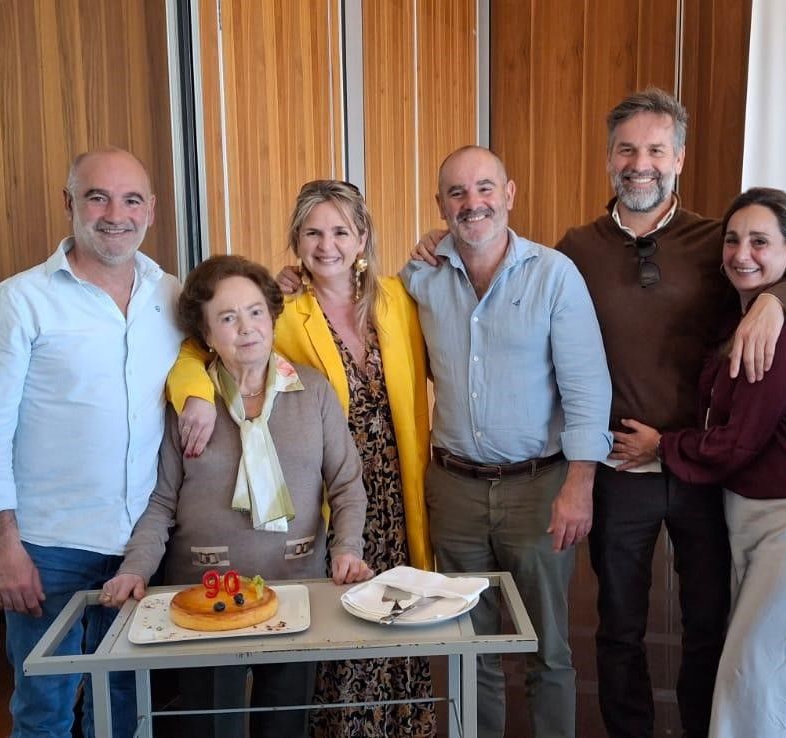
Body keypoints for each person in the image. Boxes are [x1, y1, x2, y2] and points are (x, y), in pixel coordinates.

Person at [409, 90, 786, 738]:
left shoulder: (718, 242)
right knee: (618, 628)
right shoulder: (574, 251)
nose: (639, 163)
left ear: (678, 157)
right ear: (609, 159)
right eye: (626, 149)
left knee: (707, 625)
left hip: (705, 469)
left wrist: (777, 302)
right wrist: (441, 241)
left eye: (653, 150)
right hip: (619, 468)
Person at [163, 180, 438, 736]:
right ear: (295, 241)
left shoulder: (400, 299)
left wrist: (439, 240)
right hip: (325, 501)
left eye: (341, 230)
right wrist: (193, 395)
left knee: (397, 626)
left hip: (394, 495)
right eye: (312, 232)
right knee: (332, 639)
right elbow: (197, 348)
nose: (327, 244)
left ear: (363, 238)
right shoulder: (282, 309)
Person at [611, 187, 786, 738]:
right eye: (733, 240)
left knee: (762, 670)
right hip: (756, 515)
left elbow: (736, 443)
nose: (742, 253)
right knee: (778, 669)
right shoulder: (742, 314)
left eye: (760, 242)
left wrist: (661, 445)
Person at [100, 254, 375, 738]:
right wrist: (135, 569)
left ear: (272, 317)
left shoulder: (313, 392)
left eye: (254, 312)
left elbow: (348, 484)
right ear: (205, 335)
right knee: (212, 727)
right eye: (227, 318)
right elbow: (161, 504)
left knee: (284, 727)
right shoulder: (187, 405)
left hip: (298, 592)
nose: (245, 328)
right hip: (203, 601)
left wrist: (348, 549)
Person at [0, 148, 181, 738]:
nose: (116, 214)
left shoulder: (172, 297)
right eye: (97, 197)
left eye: (131, 199)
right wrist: (4, 548)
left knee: (128, 705)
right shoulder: (17, 302)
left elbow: (228, 351)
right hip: (48, 547)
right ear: (69, 204)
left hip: (141, 545)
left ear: (151, 210)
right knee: (45, 709)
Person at [401, 145, 613, 738]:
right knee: (473, 646)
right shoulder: (419, 277)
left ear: (510, 194)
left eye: (485, 188)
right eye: (458, 193)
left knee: (548, 649)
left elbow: (587, 385)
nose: (474, 203)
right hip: (455, 490)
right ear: (440, 204)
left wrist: (580, 485)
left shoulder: (553, 274)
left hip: (539, 488)